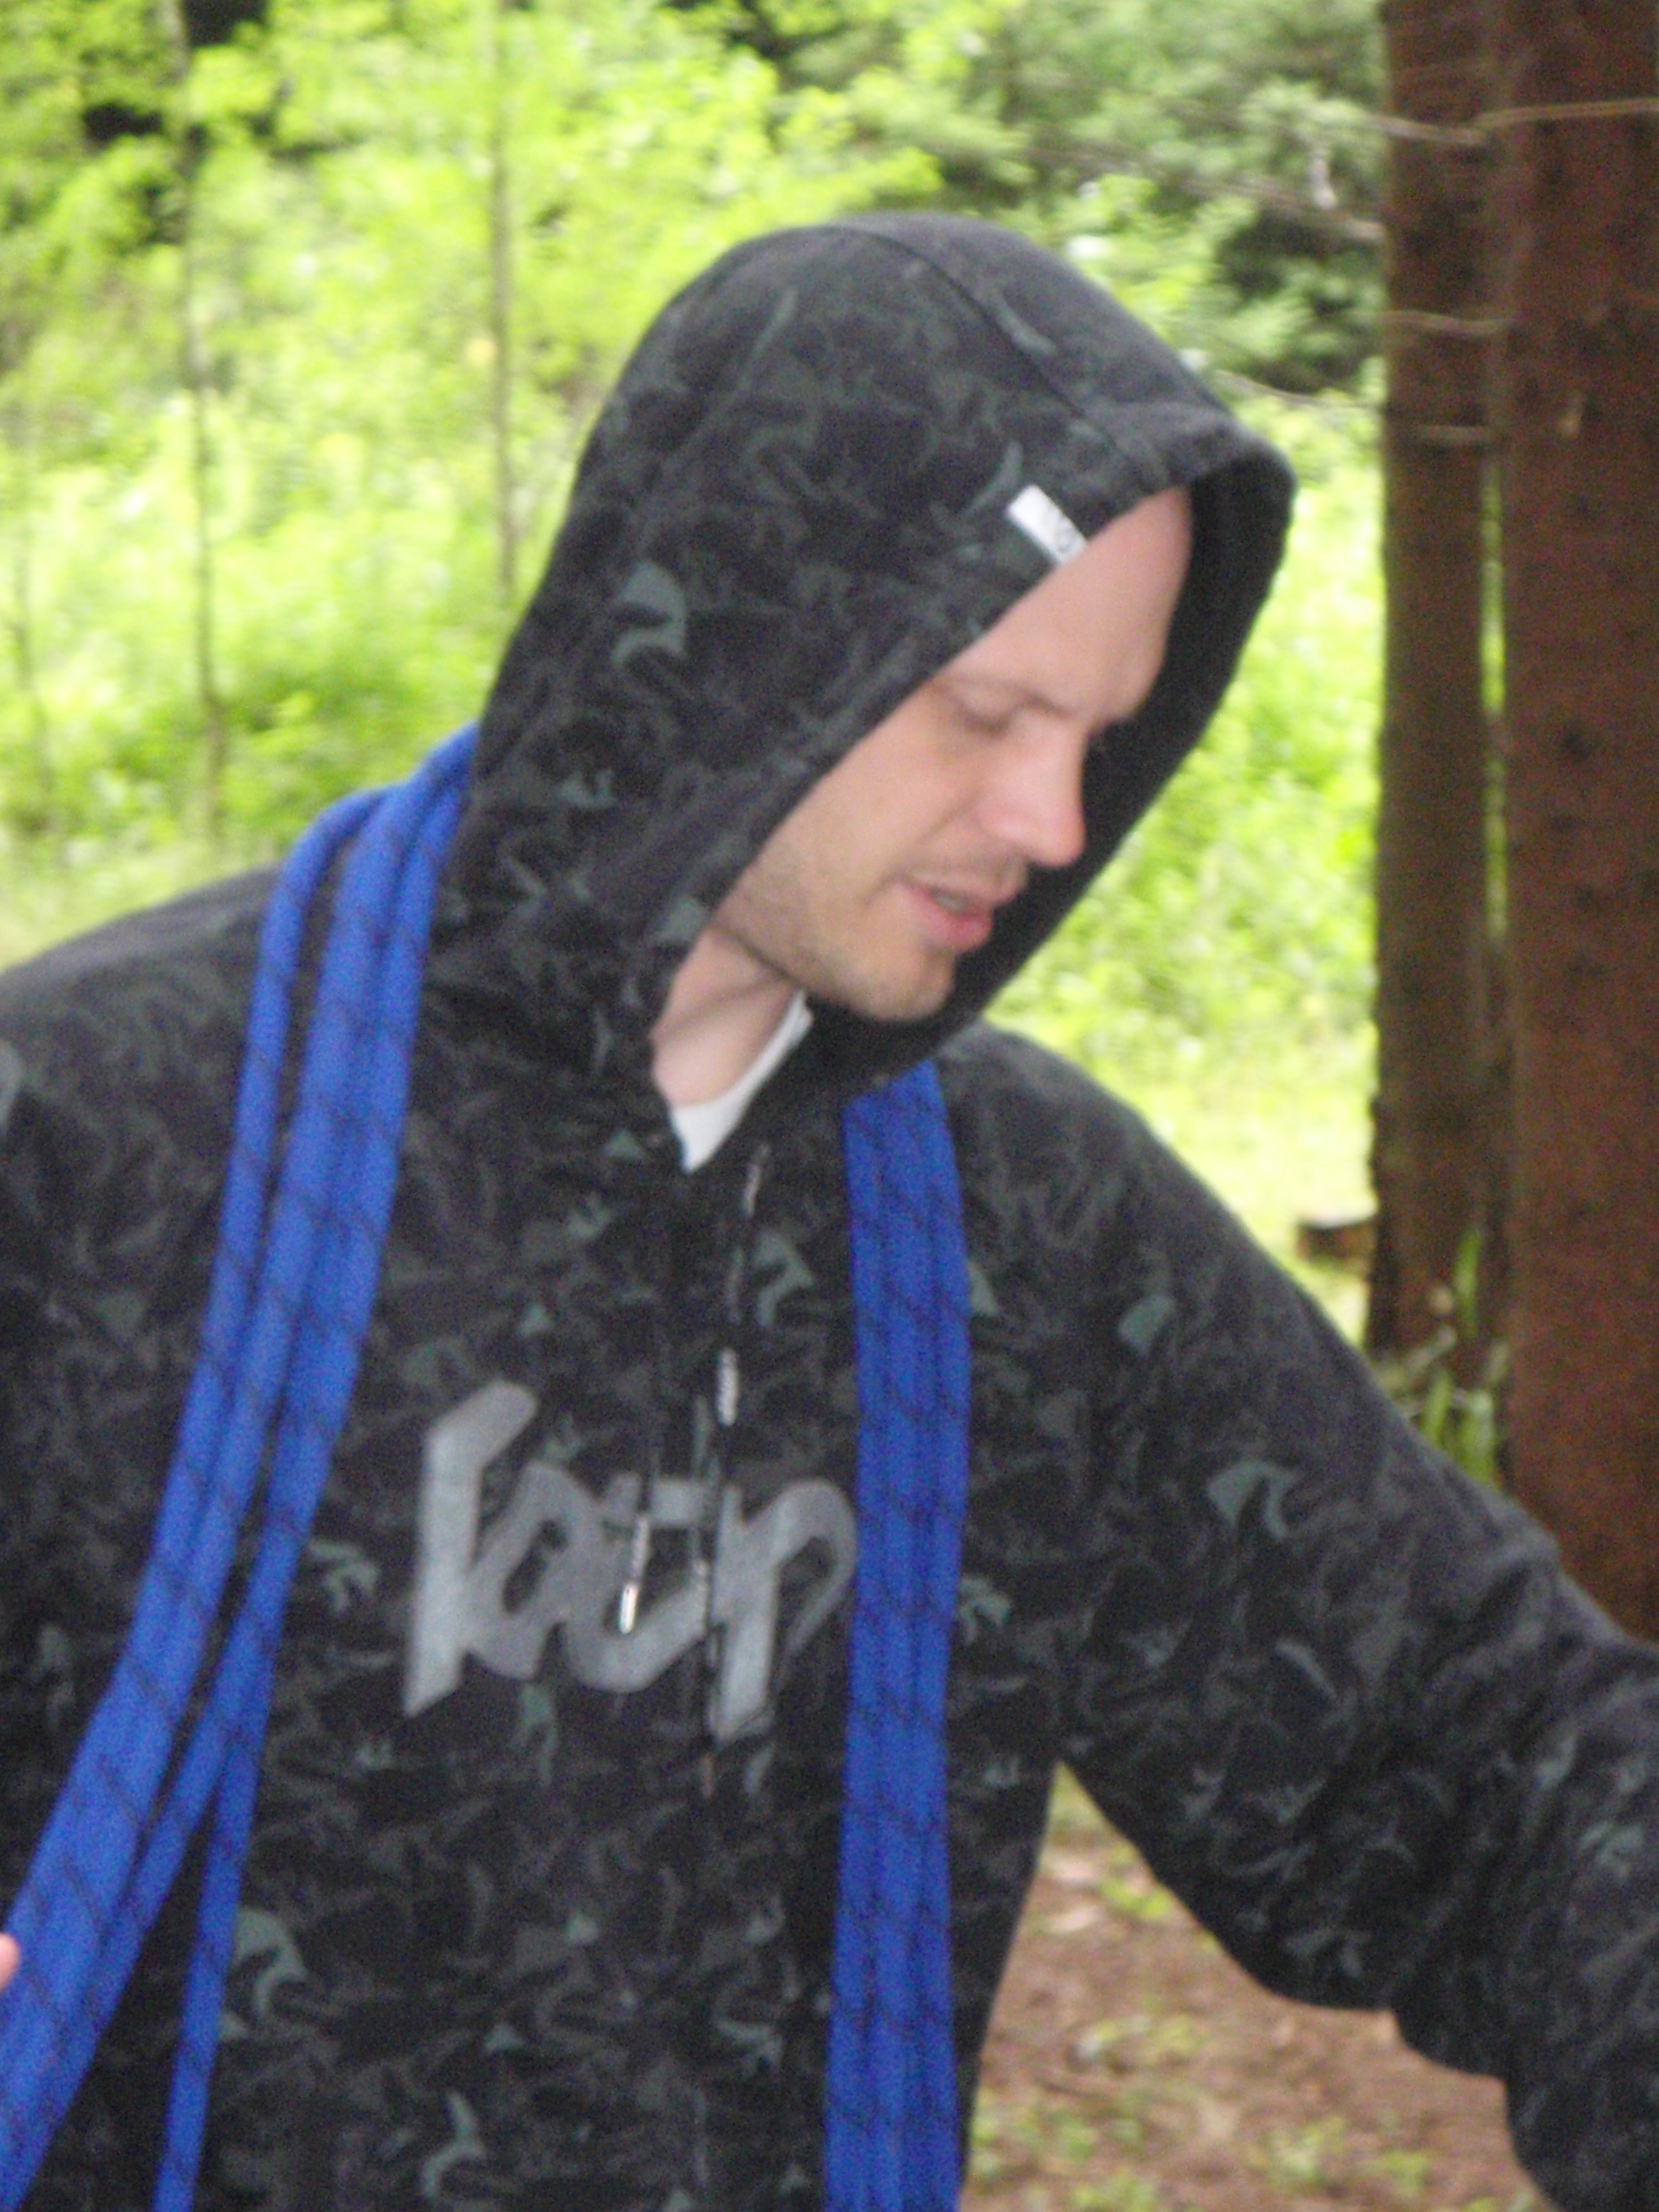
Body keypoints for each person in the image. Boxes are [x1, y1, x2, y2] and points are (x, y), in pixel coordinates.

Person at [1, 213, 1657, 2212]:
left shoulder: (1032, 1236)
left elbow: (1493, 1766)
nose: (1054, 823)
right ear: (750, 628)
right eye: (984, 711)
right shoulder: (95, 1135)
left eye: (1100, 736)